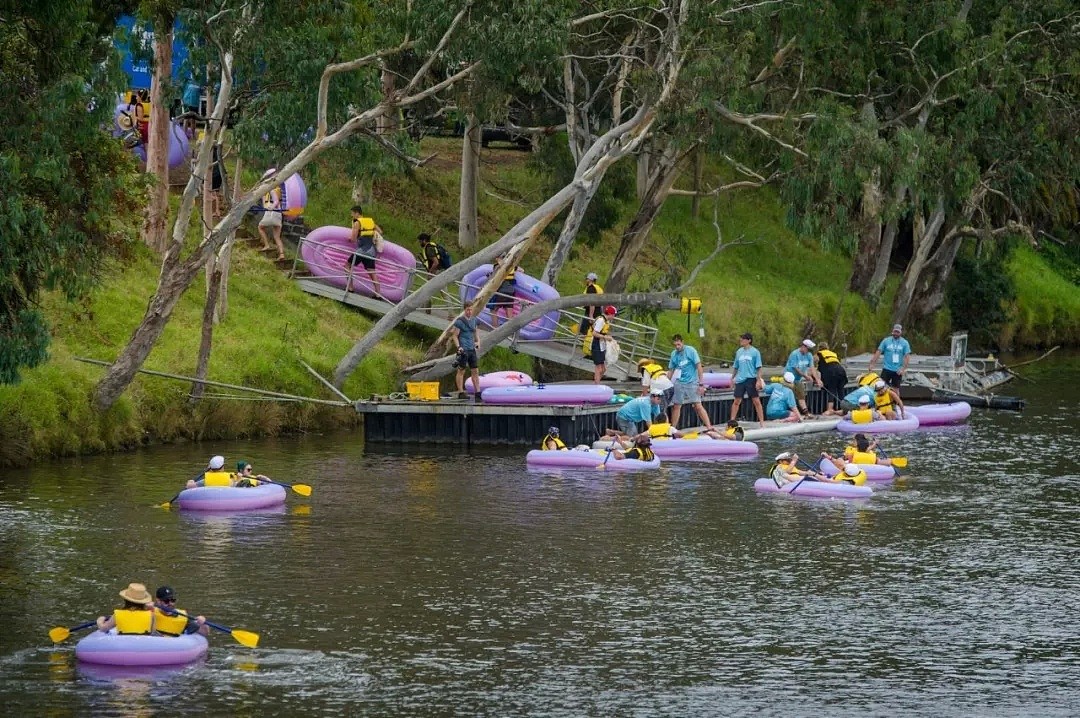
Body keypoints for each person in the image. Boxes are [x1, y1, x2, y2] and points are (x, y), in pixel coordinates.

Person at [667, 334, 713, 430]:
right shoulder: (673, 354)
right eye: (675, 345)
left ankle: (709, 426)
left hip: (692, 382)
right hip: (679, 382)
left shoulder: (691, 351)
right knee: (677, 405)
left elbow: (699, 366)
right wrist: (667, 382)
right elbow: (671, 370)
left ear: (682, 342)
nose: (677, 347)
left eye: (678, 344)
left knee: (697, 405)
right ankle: (673, 428)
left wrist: (701, 383)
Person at [344, 205, 383, 298]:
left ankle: (350, 288)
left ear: (357, 213)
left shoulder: (357, 223)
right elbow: (380, 232)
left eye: (352, 213)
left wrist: (348, 239)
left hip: (362, 250)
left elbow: (353, 239)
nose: (352, 216)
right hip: (371, 250)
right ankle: (378, 294)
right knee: (372, 271)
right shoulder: (370, 221)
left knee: (347, 266)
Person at [729, 332, 765, 424]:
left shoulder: (755, 352)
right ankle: (732, 421)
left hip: (751, 378)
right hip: (740, 379)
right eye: (741, 338)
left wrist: (758, 380)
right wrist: (732, 378)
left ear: (749, 340)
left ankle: (761, 421)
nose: (741, 340)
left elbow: (759, 368)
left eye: (743, 339)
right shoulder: (739, 352)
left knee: (756, 400)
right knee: (736, 400)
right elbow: (736, 367)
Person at [868, 324, 912, 388]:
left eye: (898, 332)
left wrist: (903, 369)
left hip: (897, 370)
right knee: (882, 386)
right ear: (892, 331)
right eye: (895, 331)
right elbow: (879, 351)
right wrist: (872, 363)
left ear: (900, 332)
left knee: (896, 389)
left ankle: (896, 398)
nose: (896, 333)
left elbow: (907, 356)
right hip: (886, 368)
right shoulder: (886, 340)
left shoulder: (905, 343)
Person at [450, 304, 481, 394]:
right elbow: (455, 336)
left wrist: (478, 341)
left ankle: (478, 392)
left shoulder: (474, 320)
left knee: (475, 370)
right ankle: (461, 392)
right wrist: (459, 347)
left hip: (472, 349)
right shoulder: (460, 321)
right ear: (464, 310)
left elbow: (476, 333)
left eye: (471, 310)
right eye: (467, 310)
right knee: (461, 370)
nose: (469, 312)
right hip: (463, 349)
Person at [784, 339, 820, 415]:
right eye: (808, 349)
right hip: (789, 379)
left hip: (798, 379)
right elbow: (796, 368)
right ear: (803, 346)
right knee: (790, 396)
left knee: (801, 396)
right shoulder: (794, 354)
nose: (808, 351)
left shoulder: (809, 355)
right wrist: (806, 376)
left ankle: (806, 413)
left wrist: (817, 379)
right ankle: (791, 413)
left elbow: (812, 368)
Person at [815, 341, 848, 415]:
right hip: (841, 371)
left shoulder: (818, 354)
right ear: (827, 348)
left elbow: (814, 367)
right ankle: (844, 409)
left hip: (832, 372)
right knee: (840, 390)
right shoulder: (833, 353)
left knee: (832, 389)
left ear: (819, 348)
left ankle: (830, 409)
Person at [486, 255, 518, 328]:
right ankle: (510, 331)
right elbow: (522, 270)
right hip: (511, 291)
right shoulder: (512, 266)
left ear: (498, 258)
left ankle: (495, 328)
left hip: (502, 291)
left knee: (493, 310)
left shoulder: (497, 266)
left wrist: (489, 275)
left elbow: (493, 279)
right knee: (509, 313)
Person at [591, 305, 617, 383]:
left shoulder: (606, 321)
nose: (614, 317)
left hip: (601, 345)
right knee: (599, 368)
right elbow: (594, 333)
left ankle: (596, 383)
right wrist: (605, 337)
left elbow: (603, 332)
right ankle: (596, 387)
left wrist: (608, 338)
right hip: (596, 345)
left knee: (603, 369)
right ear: (609, 313)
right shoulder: (601, 320)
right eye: (613, 315)